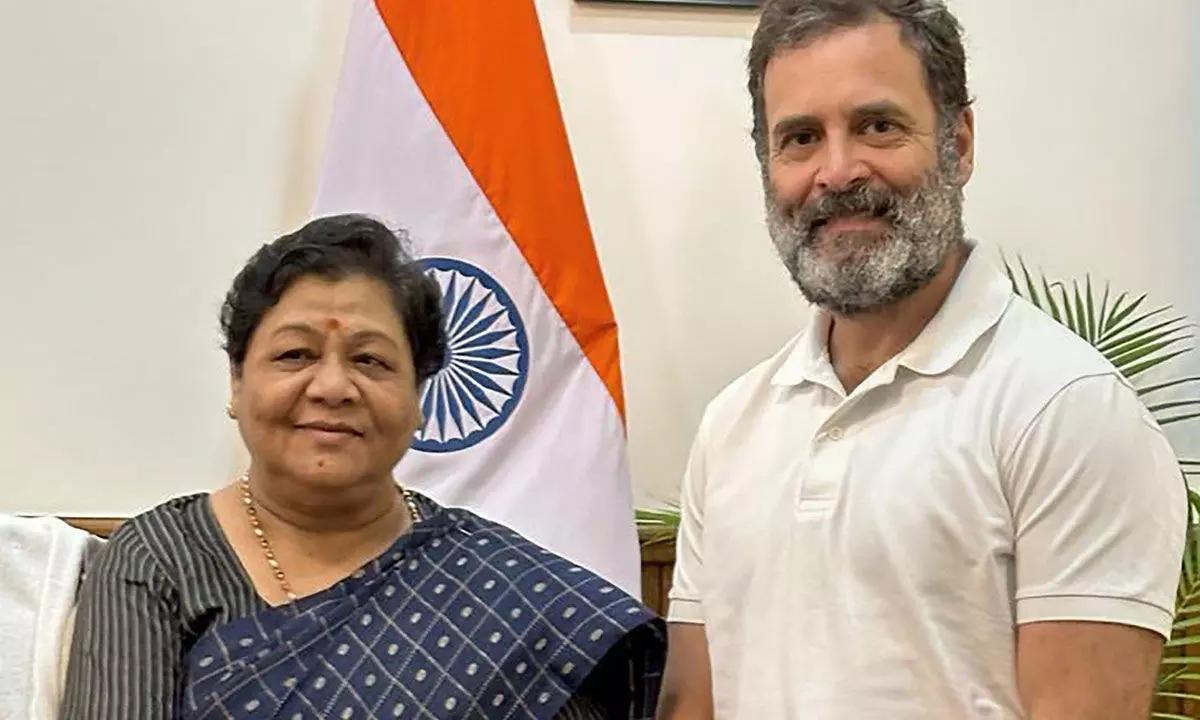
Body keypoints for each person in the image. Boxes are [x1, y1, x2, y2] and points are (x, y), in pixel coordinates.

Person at [658, 1, 1188, 718]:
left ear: (958, 143)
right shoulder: (732, 425)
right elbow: (695, 704)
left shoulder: (1068, 408)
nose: (838, 171)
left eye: (877, 125)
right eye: (801, 138)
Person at [59, 214, 665, 719]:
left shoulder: (502, 593)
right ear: (236, 385)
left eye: (371, 361)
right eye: (295, 354)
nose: (332, 386)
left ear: (419, 399)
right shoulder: (157, 560)